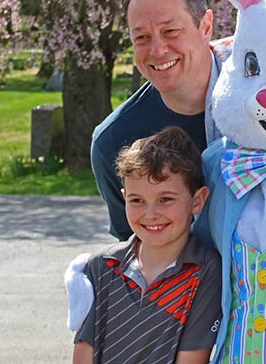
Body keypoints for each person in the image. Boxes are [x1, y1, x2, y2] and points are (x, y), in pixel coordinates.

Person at [91, 0, 230, 240]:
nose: (157, 50)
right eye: (141, 38)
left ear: (205, 26)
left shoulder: (262, 86)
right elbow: (137, 252)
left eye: (171, 31)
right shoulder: (115, 141)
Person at [73, 126, 222, 364]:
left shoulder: (207, 271)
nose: (150, 214)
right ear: (124, 198)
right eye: (137, 200)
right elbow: (83, 354)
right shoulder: (100, 267)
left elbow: (192, 359)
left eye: (165, 199)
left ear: (197, 201)